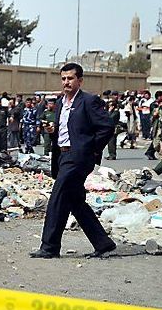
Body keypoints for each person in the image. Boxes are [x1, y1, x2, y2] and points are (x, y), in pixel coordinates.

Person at [31, 63, 116, 259]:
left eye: (70, 78)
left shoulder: (89, 101)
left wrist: (91, 148)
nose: (66, 82)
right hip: (62, 155)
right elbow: (66, 130)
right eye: (63, 79)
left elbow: (107, 127)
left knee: (57, 198)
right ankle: (103, 242)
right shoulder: (61, 102)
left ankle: (49, 247)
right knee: (75, 201)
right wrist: (52, 133)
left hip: (78, 158)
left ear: (80, 80)